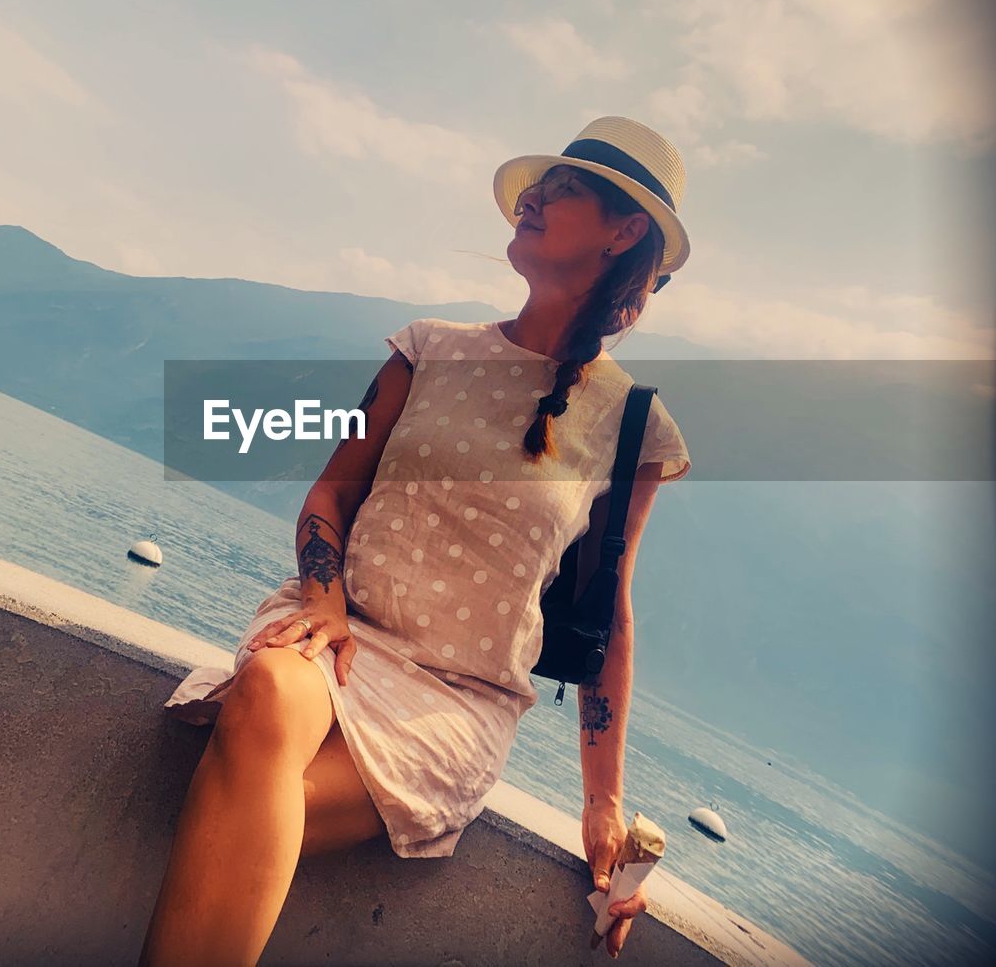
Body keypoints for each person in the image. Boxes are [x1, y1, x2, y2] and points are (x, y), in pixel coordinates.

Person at [141, 115, 693, 965]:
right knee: (265, 698)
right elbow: (332, 489)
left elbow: (605, 616)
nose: (535, 197)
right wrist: (323, 597)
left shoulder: (635, 429)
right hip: (339, 635)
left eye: (566, 188)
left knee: (238, 797)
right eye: (539, 184)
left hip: (456, 703)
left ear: (625, 232)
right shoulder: (428, 350)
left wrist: (603, 804)